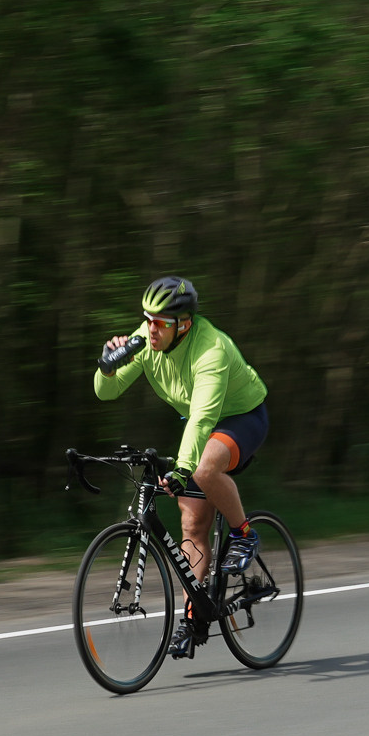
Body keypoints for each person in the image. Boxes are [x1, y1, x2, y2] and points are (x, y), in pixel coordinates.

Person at [94, 275, 271, 656]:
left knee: (204, 470)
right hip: (201, 425)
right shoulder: (147, 340)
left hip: (241, 417)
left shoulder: (211, 349)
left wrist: (182, 469)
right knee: (192, 525)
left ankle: (244, 534)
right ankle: (195, 617)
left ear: (184, 324)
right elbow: (107, 392)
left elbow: (203, 418)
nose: (150, 329)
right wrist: (107, 366)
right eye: (147, 319)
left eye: (160, 322)